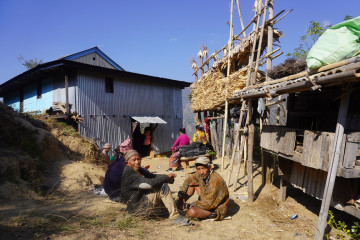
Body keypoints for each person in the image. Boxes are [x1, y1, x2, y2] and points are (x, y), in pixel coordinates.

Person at [121, 150, 191, 225]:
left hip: (140, 201)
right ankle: (174, 217)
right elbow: (148, 184)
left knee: (160, 188)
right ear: (127, 163)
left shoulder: (138, 169)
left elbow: (153, 176)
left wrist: (167, 177)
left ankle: (169, 211)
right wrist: (166, 178)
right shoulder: (128, 172)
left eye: (138, 159)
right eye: (134, 160)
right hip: (136, 209)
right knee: (162, 186)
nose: (137, 162)